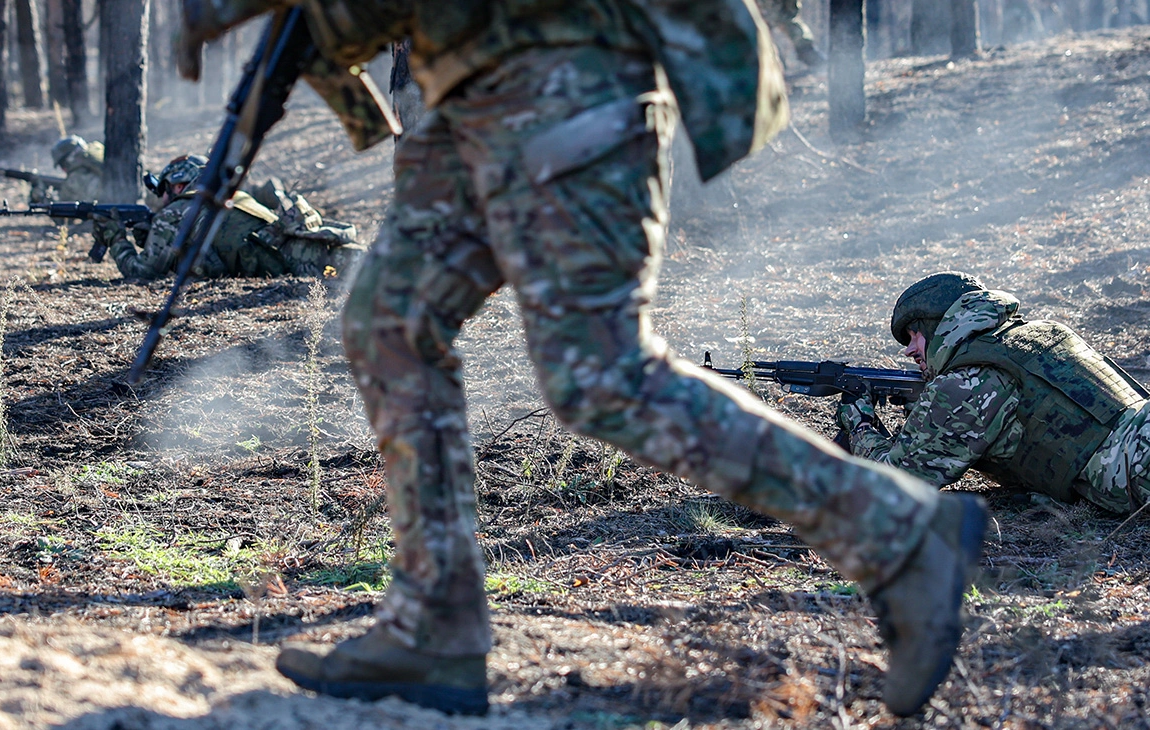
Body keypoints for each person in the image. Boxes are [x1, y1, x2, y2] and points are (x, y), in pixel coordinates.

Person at [177, 0, 986, 718]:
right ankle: (433, 624)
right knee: (389, 322)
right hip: (467, 100)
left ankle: (898, 534)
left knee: (601, 376)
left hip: (569, 78)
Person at [837, 271, 1150, 515]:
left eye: (913, 336)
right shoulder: (1042, 333)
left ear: (936, 326)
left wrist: (860, 427)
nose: (908, 351)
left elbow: (895, 486)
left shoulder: (965, 384)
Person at [93, 155, 362, 280]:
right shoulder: (232, 195)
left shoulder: (176, 211)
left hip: (294, 265)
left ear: (177, 186)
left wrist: (116, 237)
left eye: (164, 190)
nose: (162, 200)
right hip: (310, 251)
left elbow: (142, 272)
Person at [27, 136, 105, 204]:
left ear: (68, 160)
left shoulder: (75, 177)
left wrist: (42, 197)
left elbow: (62, 218)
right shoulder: (96, 161)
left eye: (62, 164)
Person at [758, 0, 824, 69]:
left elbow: (792, 11)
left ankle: (808, 54)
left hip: (778, 14)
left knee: (795, 31)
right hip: (757, 15)